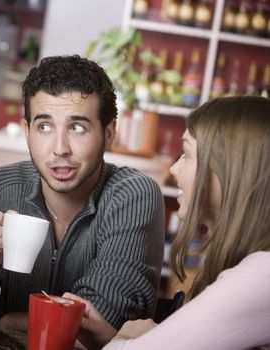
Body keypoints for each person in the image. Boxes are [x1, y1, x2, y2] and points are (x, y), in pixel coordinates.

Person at [0, 55, 165, 338]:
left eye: (77, 127)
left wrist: (4, 323)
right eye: (44, 126)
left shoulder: (133, 194)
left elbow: (96, 324)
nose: (60, 148)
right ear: (26, 131)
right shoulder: (0, 188)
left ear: (109, 133)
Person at [76, 96, 270, 350]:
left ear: (228, 170)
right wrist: (122, 338)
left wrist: (131, 341)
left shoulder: (261, 275)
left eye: (187, 155)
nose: (175, 169)